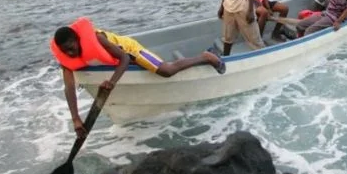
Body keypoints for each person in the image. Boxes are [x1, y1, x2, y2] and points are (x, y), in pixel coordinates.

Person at [51, 17, 225, 138]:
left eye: (71, 47)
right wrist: (75, 118)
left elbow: (125, 58)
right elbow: (69, 87)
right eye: (65, 51)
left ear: (77, 39)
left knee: (166, 70)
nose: (70, 53)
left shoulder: (98, 38)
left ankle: (205, 57)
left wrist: (112, 82)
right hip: (115, 62)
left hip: (131, 51)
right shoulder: (67, 59)